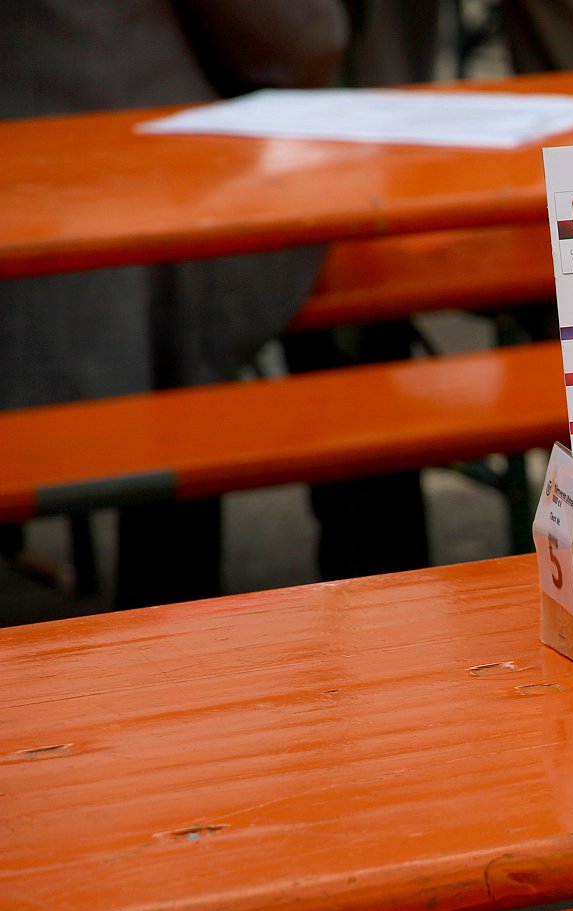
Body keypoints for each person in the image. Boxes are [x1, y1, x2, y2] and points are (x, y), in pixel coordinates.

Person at [0, 1, 347, 608]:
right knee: (192, 375)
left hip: (59, 259)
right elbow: (297, 37)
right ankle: (171, 624)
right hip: (132, 239)